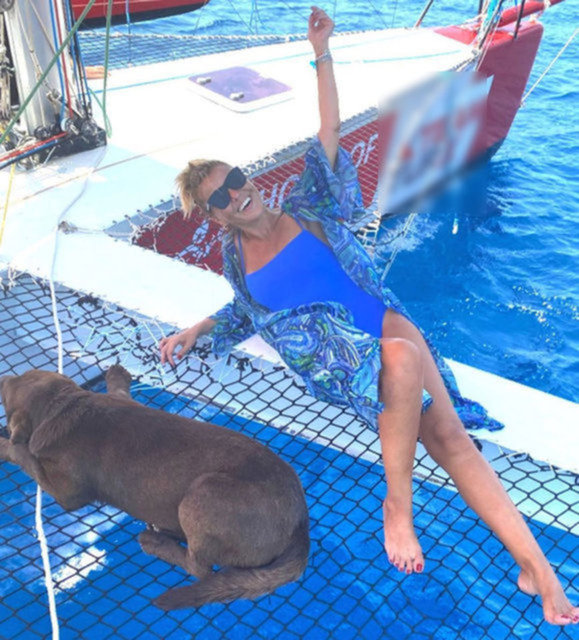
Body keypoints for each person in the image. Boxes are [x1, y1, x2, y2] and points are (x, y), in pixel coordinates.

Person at [160, 6, 578, 626]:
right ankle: (400, 510)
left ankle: (536, 571)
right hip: (348, 363)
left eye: (236, 179)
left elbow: (328, 129)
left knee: (451, 436)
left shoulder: (308, 208)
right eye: (219, 196)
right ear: (214, 216)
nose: (236, 193)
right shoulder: (236, 263)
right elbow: (246, 314)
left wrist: (321, 51)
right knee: (407, 363)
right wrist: (200, 329)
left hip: (386, 326)